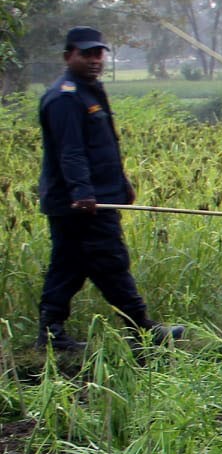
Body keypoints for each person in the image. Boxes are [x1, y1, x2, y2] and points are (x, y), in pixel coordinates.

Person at [35, 26, 183, 352]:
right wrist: (82, 194)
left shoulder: (90, 90)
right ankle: (143, 328)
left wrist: (122, 183)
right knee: (110, 261)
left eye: (98, 54)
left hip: (97, 194)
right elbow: (70, 151)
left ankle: (51, 335)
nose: (94, 60)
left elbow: (104, 147)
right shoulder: (64, 97)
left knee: (69, 266)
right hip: (80, 202)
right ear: (67, 56)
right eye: (85, 54)